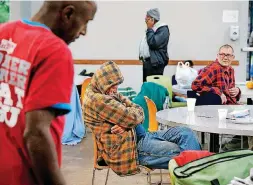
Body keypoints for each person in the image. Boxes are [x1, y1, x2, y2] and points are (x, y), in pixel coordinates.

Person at [0, 1, 97, 185]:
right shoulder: (55, 51)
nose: (83, 32)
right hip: (22, 176)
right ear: (68, 14)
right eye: (85, 22)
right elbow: (36, 133)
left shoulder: (4, 32)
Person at [83, 61, 201, 176]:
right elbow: (134, 117)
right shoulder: (99, 100)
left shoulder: (105, 91)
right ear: (103, 82)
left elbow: (138, 109)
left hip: (142, 136)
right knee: (188, 153)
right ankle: (200, 174)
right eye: (113, 85)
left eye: (116, 85)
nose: (116, 89)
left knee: (186, 133)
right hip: (131, 149)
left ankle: (197, 173)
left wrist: (126, 123)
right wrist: (130, 120)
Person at [139, 8, 170, 82]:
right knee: (147, 87)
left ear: (152, 19)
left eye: (147, 17)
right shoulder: (153, 29)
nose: (145, 19)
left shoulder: (162, 29)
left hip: (155, 63)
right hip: (149, 63)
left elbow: (153, 43)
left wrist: (149, 29)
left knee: (153, 88)